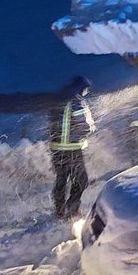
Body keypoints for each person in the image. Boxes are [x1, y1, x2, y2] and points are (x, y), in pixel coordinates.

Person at [49, 77, 95, 220]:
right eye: (86, 90)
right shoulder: (76, 101)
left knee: (61, 180)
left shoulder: (59, 99)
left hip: (57, 149)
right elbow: (84, 126)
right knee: (81, 181)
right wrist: (92, 128)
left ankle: (59, 211)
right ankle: (72, 210)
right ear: (82, 88)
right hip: (72, 149)